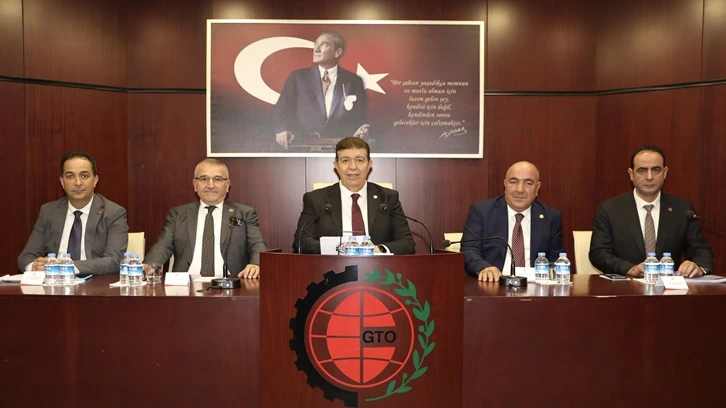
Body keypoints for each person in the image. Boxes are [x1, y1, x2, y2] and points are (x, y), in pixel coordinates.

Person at [589, 145, 713, 277]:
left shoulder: (682, 209)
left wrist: (698, 266)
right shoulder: (610, 209)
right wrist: (629, 268)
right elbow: (599, 253)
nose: (649, 177)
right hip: (625, 284)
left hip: (668, 286)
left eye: (656, 170)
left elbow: (701, 250)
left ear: (665, 173)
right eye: (642, 170)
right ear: (631, 174)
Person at [144, 158, 267, 279]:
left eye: (217, 179)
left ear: (227, 185)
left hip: (231, 283)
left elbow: (257, 244)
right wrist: (149, 265)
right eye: (204, 179)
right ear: (195, 185)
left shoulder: (244, 213)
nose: (210, 185)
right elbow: (163, 246)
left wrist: (256, 264)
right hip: (186, 284)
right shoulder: (178, 214)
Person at [293, 137, 415, 254]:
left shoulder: (388, 198)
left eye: (359, 160)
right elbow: (301, 242)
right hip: (331, 266)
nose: (353, 167)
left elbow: (407, 243)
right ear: (336, 166)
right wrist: (342, 249)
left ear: (369, 165)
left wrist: (375, 250)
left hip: (378, 267)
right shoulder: (316, 199)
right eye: (345, 160)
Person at [17, 152, 128, 275]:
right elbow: (26, 256)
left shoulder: (113, 213)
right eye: (70, 176)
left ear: (95, 180)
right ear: (62, 182)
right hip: (54, 282)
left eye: (84, 176)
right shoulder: (48, 211)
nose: (78, 183)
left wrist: (66, 267)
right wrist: (34, 266)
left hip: (93, 282)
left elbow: (114, 261)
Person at [461, 161, 563, 281]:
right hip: (494, 283)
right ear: (505, 185)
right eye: (513, 182)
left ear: (537, 188)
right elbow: (469, 250)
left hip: (534, 285)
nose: (519, 189)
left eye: (528, 183)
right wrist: (485, 268)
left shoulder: (551, 217)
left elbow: (555, 259)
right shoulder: (482, 212)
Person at [273, 32, 369, 150]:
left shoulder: (354, 81)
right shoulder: (297, 77)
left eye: (324, 44)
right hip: (302, 146)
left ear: (337, 52)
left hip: (340, 148)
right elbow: (281, 110)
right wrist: (282, 129)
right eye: (315, 44)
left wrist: (360, 132)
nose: (316, 49)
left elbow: (359, 118)